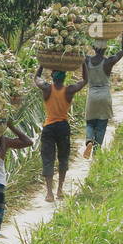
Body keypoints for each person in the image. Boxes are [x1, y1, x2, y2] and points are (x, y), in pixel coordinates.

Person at [35, 67, 87, 202]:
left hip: (49, 127)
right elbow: (85, 80)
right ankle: (59, 190)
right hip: (63, 127)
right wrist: (83, 64)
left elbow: (36, 78)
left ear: (52, 76)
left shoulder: (47, 89)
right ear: (64, 77)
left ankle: (49, 193)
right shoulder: (69, 90)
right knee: (63, 157)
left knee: (48, 158)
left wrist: (41, 65)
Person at [83, 27, 123, 158]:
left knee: (90, 122)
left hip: (92, 96)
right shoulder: (108, 62)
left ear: (94, 48)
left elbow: (76, 52)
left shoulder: (87, 60)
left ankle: (89, 140)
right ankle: (96, 152)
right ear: (105, 49)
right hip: (105, 96)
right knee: (102, 124)